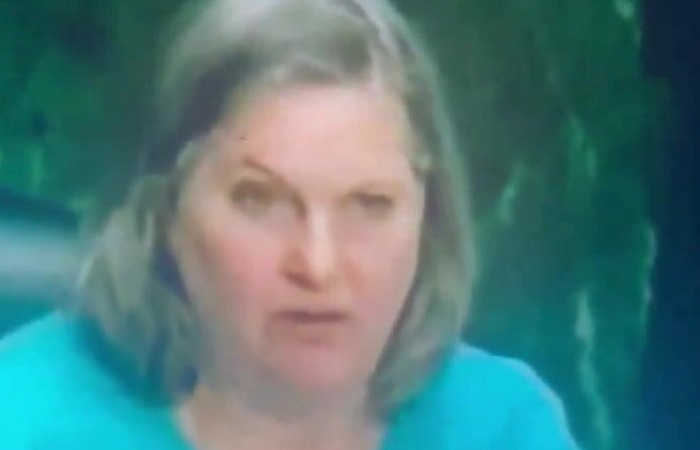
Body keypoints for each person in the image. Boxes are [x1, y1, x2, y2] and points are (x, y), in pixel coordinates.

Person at [0, 0, 581, 449]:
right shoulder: (23, 416)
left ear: (430, 219)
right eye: (260, 200)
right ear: (164, 212)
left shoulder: (505, 426)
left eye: (369, 204)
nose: (318, 264)